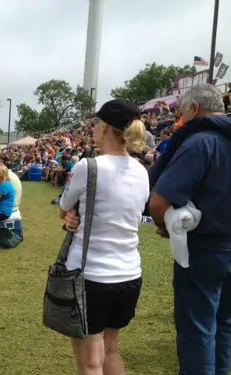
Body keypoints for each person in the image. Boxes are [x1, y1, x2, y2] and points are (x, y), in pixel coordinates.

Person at [61, 99, 149, 375]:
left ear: (106, 129)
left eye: (96, 124)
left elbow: (64, 207)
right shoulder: (142, 171)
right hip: (128, 275)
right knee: (111, 349)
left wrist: (70, 218)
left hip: (92, 276)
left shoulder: (88, 166)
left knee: (89, 363)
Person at [149, 84, 231, 375]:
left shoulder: (200, 142)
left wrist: (167, 226)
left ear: (194, 109)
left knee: (198, 330)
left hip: (205, 250)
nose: (179, 120)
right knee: (224, 328)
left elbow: (158, 202)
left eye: (181, 113)